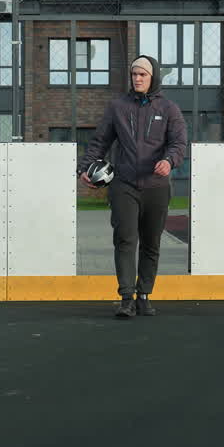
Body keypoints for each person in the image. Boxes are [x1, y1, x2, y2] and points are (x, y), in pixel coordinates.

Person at [78, 55, 188, 319]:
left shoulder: (170, 109)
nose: (137, 79)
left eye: (143, 75)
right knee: (125, 239)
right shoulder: (117, 107)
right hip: (124, 185)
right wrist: (85, 167)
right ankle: (126, 298)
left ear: (153, 77)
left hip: (157, 187)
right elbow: (99, 141)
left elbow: (179, 143)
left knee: (151, 244)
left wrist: (169, 160)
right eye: (134, 75)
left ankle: (144, 296)